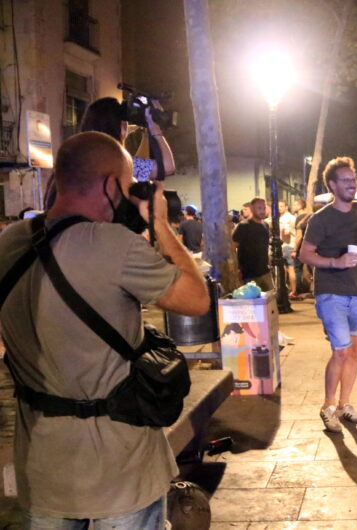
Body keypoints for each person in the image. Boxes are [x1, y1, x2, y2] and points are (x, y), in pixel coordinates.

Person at [0, 131, 209, 527]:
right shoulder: (116, 245)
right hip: (121, 469)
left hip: (42, 468)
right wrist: (160, 223)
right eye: (128, 187)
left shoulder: (9, 242)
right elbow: (197, 300)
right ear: (112, 185)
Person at [299, 156, 357, 432]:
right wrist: (335, 262)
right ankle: (328, 407)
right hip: (331, 293)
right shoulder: (321, 219)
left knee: (354, 351)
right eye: (345, 180)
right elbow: (305, 254)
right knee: (340, 351)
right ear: (332, 185)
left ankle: (344, 405)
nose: (351, 184)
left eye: (353, 180)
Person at [233, 197, 274, 292]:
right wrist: (237, 269)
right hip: (249, 273)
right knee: (253, 303)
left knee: (270, 300)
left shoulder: (265, 226)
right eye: (259, 208)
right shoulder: (243, 226)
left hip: (264, 271)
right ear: (252, 209)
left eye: (264, 208)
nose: (262, 211)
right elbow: (233, 247)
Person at [278, 199, 297, 298]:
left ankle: (293, 290)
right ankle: (290, 289)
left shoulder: (288, 218)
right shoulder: (286, 217)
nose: (279, 208)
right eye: (278, 206)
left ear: (286, 207)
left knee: (290, 268)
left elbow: (287, 234)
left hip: (288, 245)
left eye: (281, 206)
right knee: (286, 269)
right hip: (286, 245)